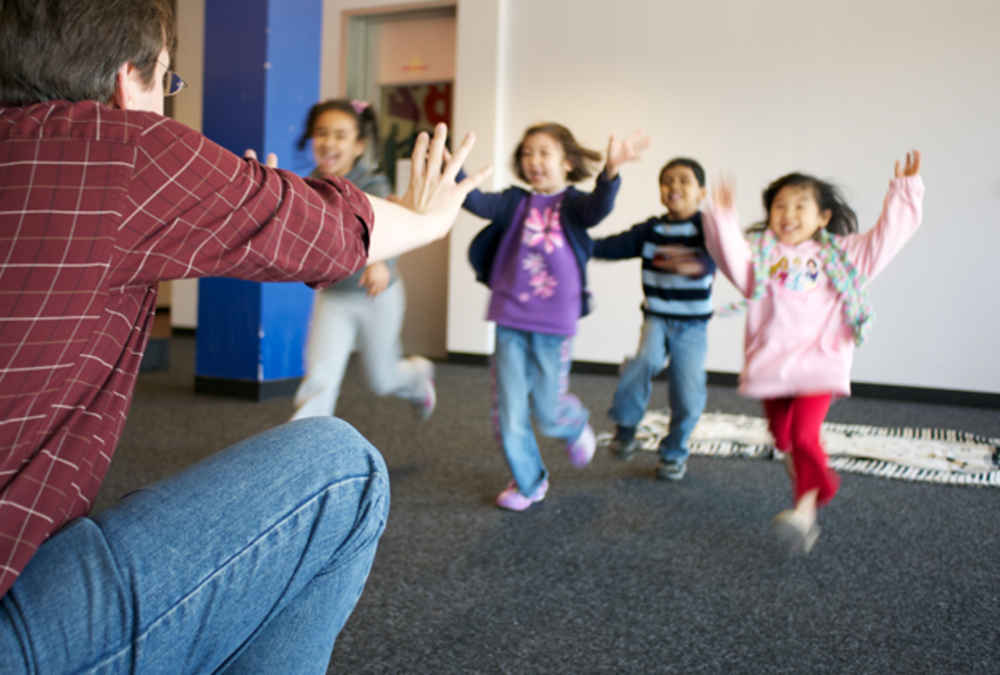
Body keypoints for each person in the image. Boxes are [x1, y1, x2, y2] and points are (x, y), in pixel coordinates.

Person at [0, 1, 489, 671]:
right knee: (343, 470)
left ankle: (412, 378)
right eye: (166, 83)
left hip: (370, 300)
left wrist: (255, 202)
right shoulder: (124, 146)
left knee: (379, 374)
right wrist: (427, 217)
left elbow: (271, 220)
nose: (166, 107)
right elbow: (322, 227)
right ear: (125, 81)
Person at [703, 151, 924, 553]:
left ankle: (806, 511)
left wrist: (904, 191)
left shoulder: (842, 256)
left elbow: (886, 238)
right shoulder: (761, 255)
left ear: (823, 217)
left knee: (805, 436)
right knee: (784, 438)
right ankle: (808, 490)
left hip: (820, 367)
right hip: (772, 369)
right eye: (779, 206)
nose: (788, 213)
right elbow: (729, 253)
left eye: (800, 205)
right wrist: (722, 215)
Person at [465, 122, 648, 511]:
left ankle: (574, 423)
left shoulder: (573, 205)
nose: (534, 161)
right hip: (509, 316)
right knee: (509, 411)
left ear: (567, 162)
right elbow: (477, 201)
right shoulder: (515, 202)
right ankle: (529, 481)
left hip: (554, 323)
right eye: (527, 153)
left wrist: (612, 171)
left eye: (544, 152)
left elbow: (600, 208)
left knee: (548, 412)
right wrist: (453, 173)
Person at [291, 99, 436, 422]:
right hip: (333, 296)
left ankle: (416, 377)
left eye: (340, 136)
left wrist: (379, 263)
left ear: (358, 146)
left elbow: (385, 227)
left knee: (382, 380)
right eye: (322, 133)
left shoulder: (372, 183)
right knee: (319, 379)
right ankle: (303, 449)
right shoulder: (308, 186)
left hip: (377, 297)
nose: (329, 142)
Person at [592, 157, 717, 481]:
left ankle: (673, 452)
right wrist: (577, 244)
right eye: (667, 181)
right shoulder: (651, 230)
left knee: (688, 394)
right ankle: (626, 427)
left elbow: (716, 260)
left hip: (692, 326)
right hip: (657, 318)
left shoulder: (708, 230)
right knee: (643, 362)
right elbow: (610, 247)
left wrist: (689, 260)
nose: (674, 186)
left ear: (701, 192)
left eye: (684, 181)